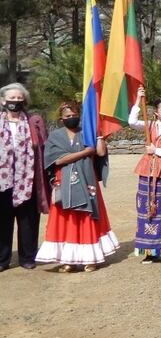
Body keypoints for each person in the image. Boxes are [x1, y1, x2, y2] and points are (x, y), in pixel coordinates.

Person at [35, 102, 119, 271]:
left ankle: (90, 258)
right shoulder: (55, 136)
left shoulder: (86, 132)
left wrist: (100, 134)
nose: (72, 118)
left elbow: (100, 152)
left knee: (87, 217)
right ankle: (68, 260)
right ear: (61, 119)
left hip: (87, 180)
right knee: (67, 219)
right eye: (68, 116)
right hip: (63, 182)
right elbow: (57, 160)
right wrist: (86, 152)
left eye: (74, 115)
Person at [128, 87, 161, 263]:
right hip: (147, 172)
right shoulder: (149, 125)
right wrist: (138, 99)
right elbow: (131, 121)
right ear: (156, 113)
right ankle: (149, 251)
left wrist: (156, 150)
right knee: (146, 210)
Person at [0, 83, 50, 271]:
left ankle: (27, 257)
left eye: (19, 98)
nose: (15, 101)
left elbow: (45, 146)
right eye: (11, 98)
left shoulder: (34, 121)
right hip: (3, 180)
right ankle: (2, 259)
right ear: (3, 100)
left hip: (28, 178)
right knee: (2, 222)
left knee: (28, 220)